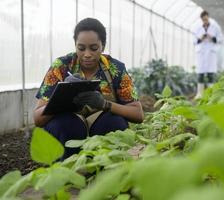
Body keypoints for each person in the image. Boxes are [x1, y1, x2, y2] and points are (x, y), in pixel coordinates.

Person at [33, 18, 144, 159]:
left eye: (93, 48)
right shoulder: (61, 66)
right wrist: (62, 97)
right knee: (65, 125)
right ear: (75, 45)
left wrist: (105, 104)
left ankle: (106, 173)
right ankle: (68, 173)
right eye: (81, 48)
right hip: (70, 124)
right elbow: (38, 119)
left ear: (102, 46)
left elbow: (138, 114)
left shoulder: (115, 68)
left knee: (114, 122)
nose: (87, 54)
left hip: (101, 123)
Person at [193, 10, 224, 99]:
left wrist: (212, 37)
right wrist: (201, 38)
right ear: (201, 19)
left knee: (211, 74)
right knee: (200, 74)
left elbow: (220, 39)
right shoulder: (197, 28)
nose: (205, 21)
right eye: (203, 20)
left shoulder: (215, 28)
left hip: (211, 53)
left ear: (208, 18)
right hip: (201, 53)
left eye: (206, 19)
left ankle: (212, 94)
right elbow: (194, 40)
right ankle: (199, 94)